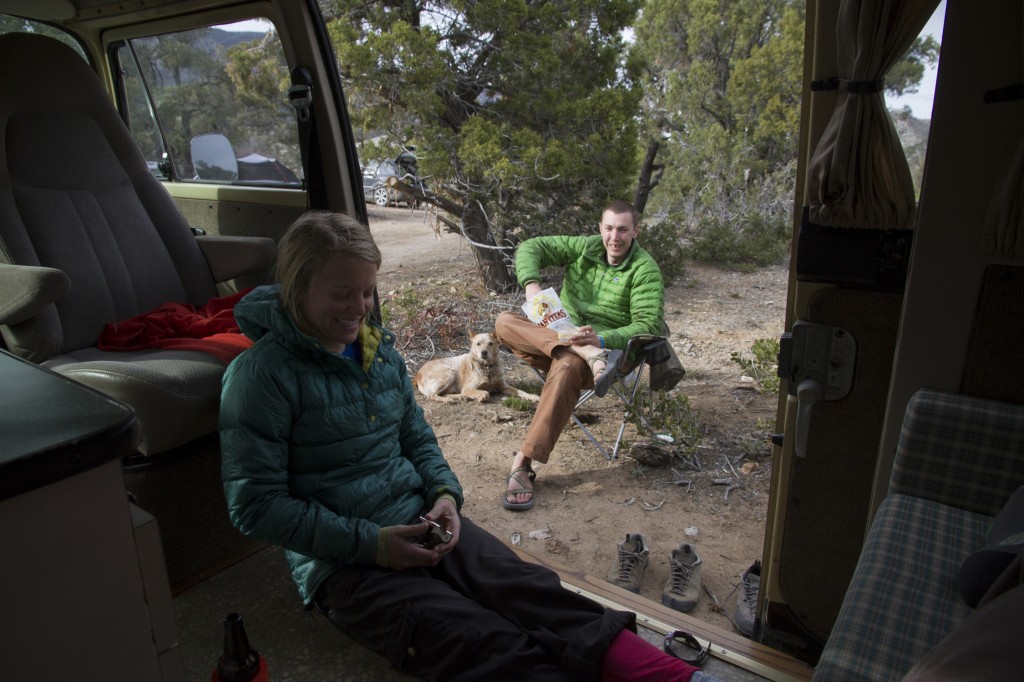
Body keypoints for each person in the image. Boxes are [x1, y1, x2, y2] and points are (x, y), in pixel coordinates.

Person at [219, 211, 716, 681]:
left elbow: (415, 435)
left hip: (421, 518)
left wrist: (443, 495)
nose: (360, 309)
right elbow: (255, 506)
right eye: (342, 294)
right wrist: (372, 545)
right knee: (483, 641)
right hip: (344, 563)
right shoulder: (262, 375)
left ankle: (674, 676)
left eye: (368, 292)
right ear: (297, 289)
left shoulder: (375, 350)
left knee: (532, 591)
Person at [497, 200, 664, 510]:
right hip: (562, 336)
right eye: (609, 228)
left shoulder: (645, 269)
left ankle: (523, 462)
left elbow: (648, 324)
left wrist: (601, 338)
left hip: (613, 351)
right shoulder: (584, 248)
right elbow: (531, 247)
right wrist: (532, 286)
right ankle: (586, 352)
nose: (615, 237)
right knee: (504, 322)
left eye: (623, 230)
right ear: (600, 228)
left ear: (636, 231)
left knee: (566, 367)